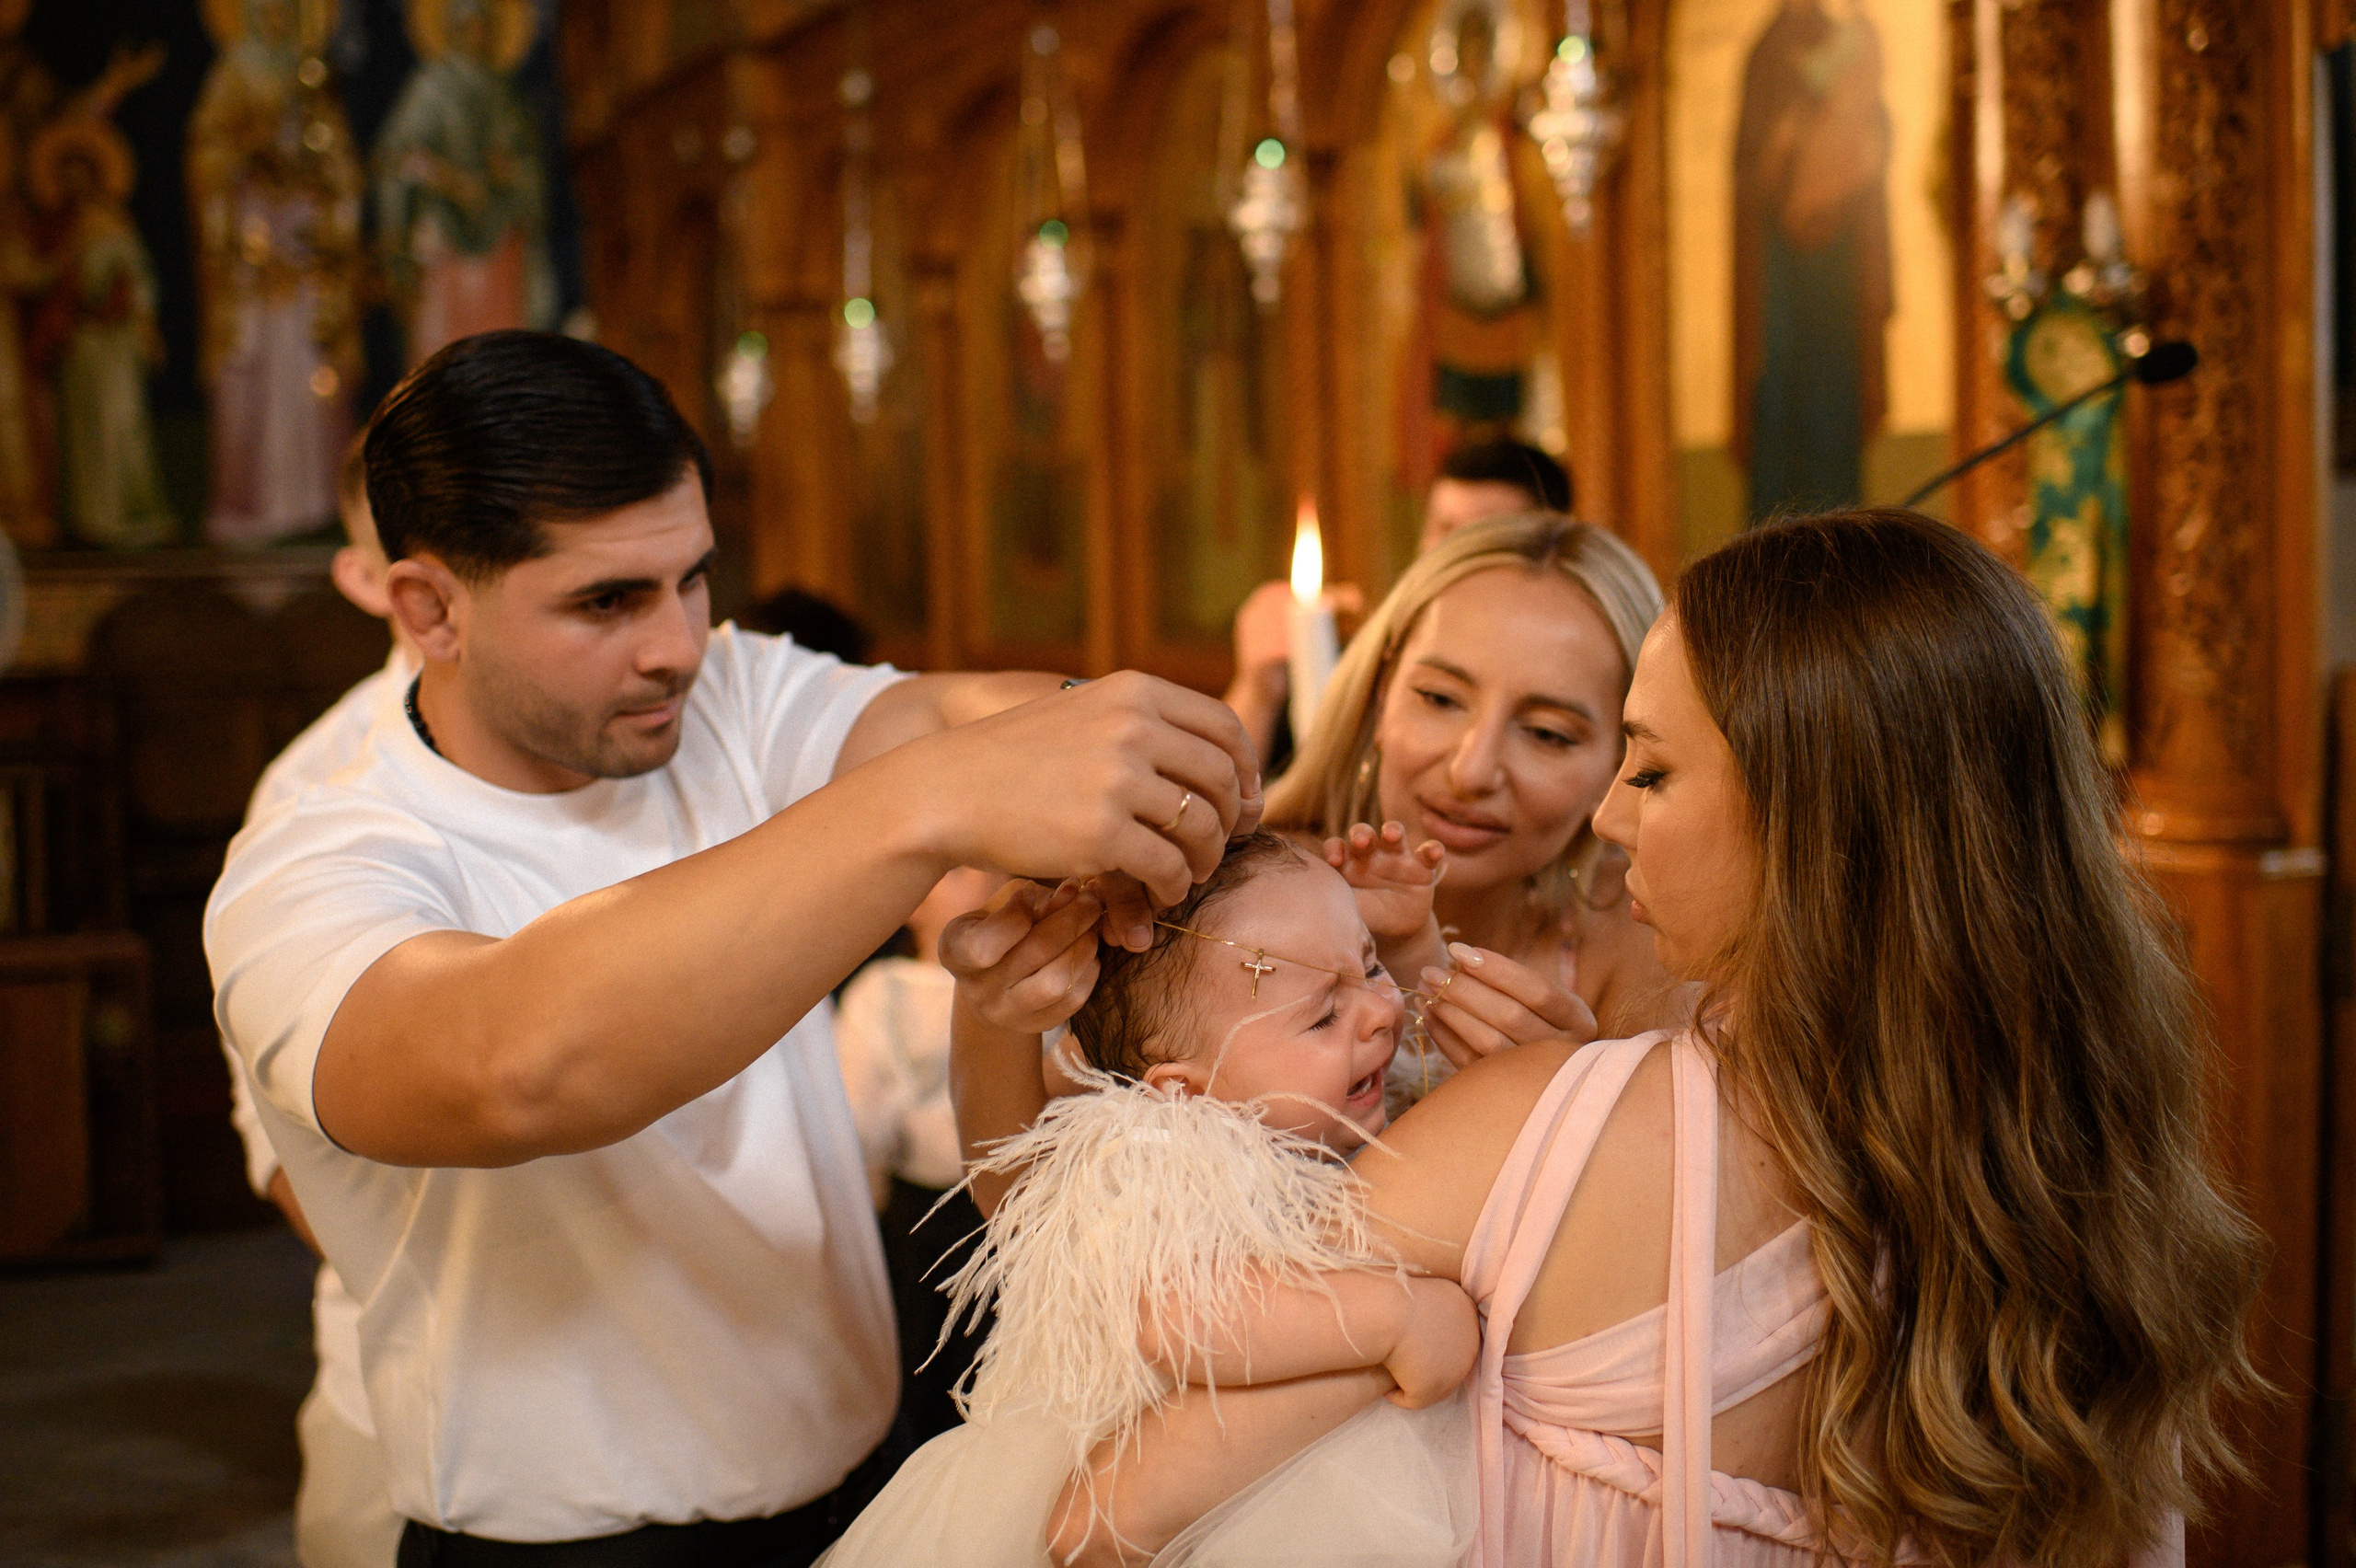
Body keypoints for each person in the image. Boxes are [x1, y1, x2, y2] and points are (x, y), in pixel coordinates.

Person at [205, 329, 1261, 1567]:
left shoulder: (726, 698)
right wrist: (925, 806)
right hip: (578, 1547)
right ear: (428, 607)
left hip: (859, 1476)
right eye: (607, 601)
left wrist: (1122, 755)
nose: (677, 644)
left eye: (693, 580)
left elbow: (952, 714)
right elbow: (512, 1066)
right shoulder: (313, 862)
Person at [1051, 509, 2265, 1565]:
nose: (1613, 821)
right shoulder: (2096, 1177)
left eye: (1653, 769)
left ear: (1812, 826)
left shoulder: (1537, 1133)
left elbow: (1104, 1514)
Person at [826, 833, 1480, 1568]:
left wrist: (1415, 949)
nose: (1380, 1013)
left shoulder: (1321, 1111)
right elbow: (1171, 1314)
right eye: (1324, 1016)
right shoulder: (1160, 1155)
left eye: (1369, 966)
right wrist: (1396, 1318)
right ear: (1182, 1091)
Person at [1267, 513, 1680, 1077]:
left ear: (1620, 761)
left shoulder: (1653, 936)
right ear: (1381, 693)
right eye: (1440, 699)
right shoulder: (1251, 890)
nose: (1471, 771)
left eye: (1546, 734)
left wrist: (1582, 1098)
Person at [220, 434, 414, 1568]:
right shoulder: (315, 793)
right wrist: (428, 1293)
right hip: (406, 1375)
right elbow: (279, 1128)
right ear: (373, 580)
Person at [1222, 439, 1571, 769]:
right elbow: (1220, 793)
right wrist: (1258, 687)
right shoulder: (1359, 654)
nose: (1450, 553)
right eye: (1444, 527)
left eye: (1480, 536)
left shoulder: (1562, 674)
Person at [833, 865, 1006, 1441]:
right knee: (923, 1365)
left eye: (988, 867)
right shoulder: (886, 990)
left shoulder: (1024, 980)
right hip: (920, 1212)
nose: (978, 880)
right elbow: (861, 1112)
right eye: (952, 872)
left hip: (1008, 1211)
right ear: (910, 902)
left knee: (1001, 1370)